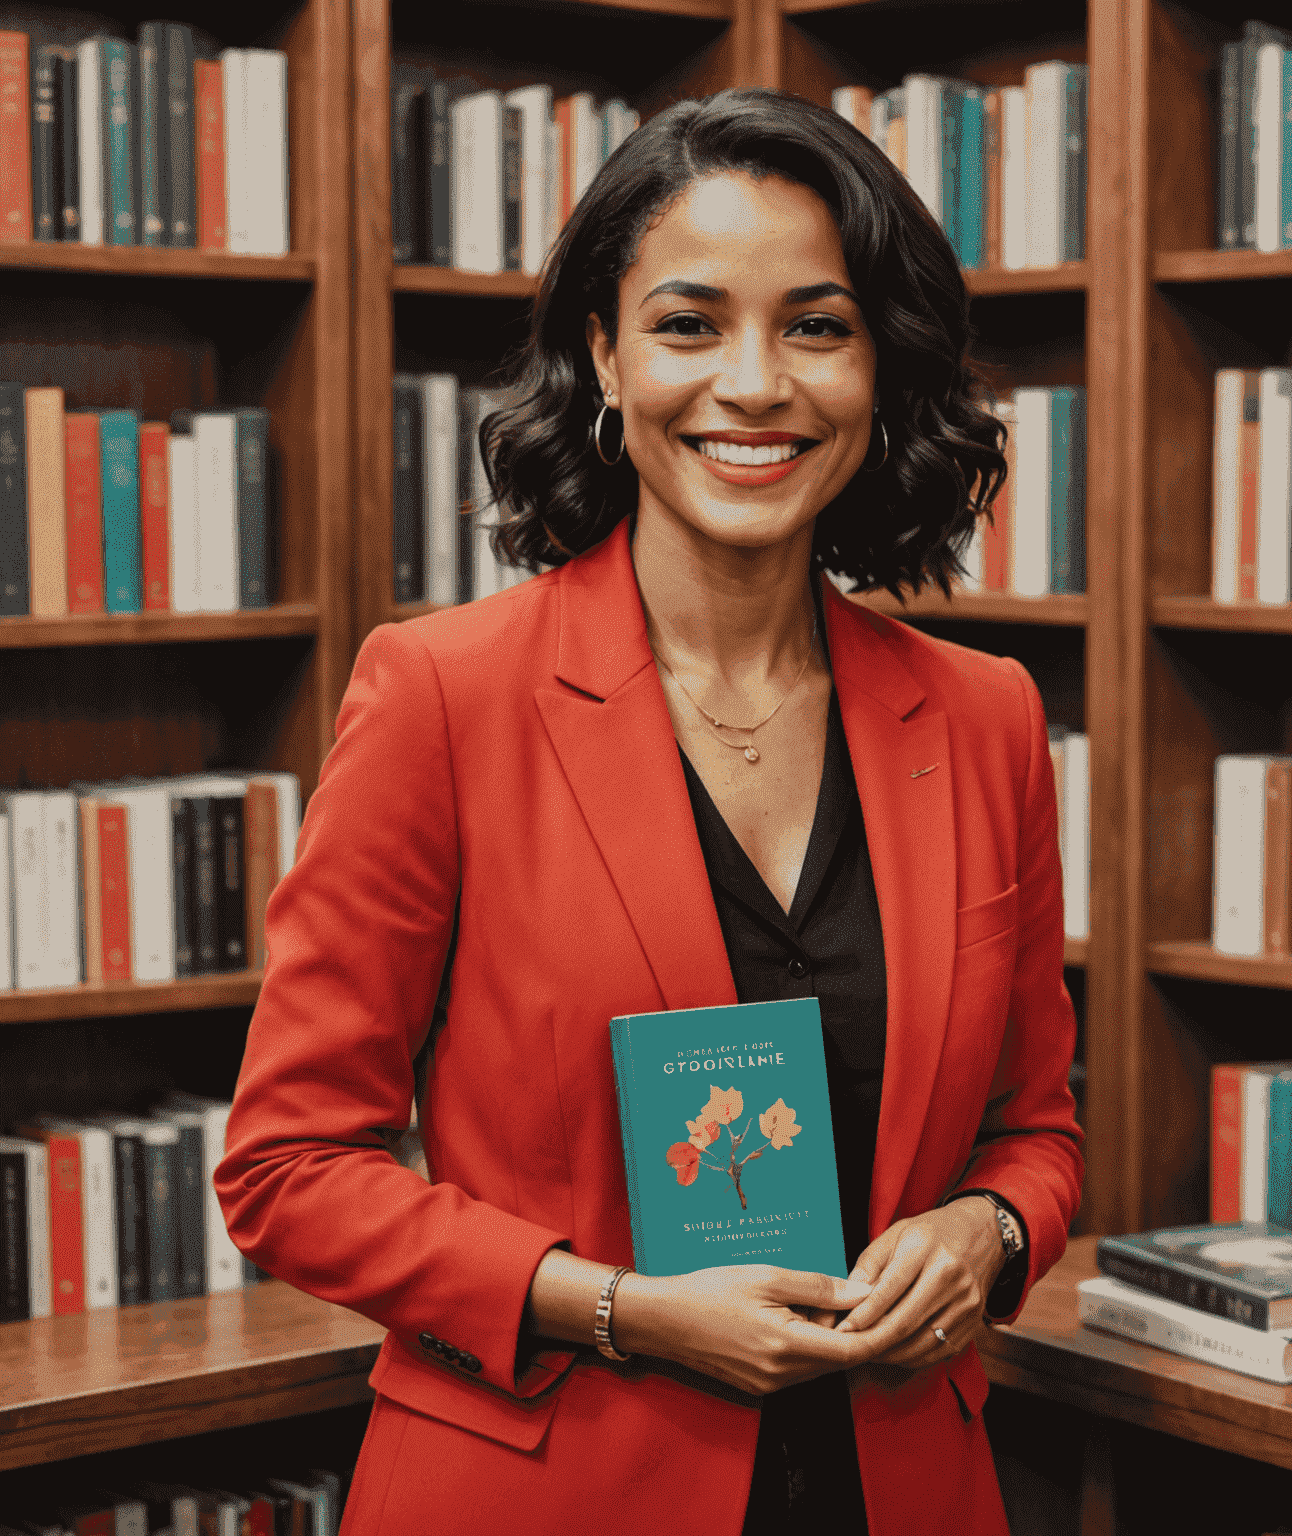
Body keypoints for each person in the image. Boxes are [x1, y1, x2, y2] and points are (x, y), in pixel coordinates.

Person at [216, 87, 1083, 1536]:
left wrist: (989, 1232)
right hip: (550, 1486)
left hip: (898, 1487)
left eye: (817, 325)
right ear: (604, 356)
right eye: (690, 324)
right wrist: (618, 1309)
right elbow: (291, 1167)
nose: (757, 384)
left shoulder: (984, 717)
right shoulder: (442, 696)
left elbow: (1035, 1128)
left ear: (882, 369)